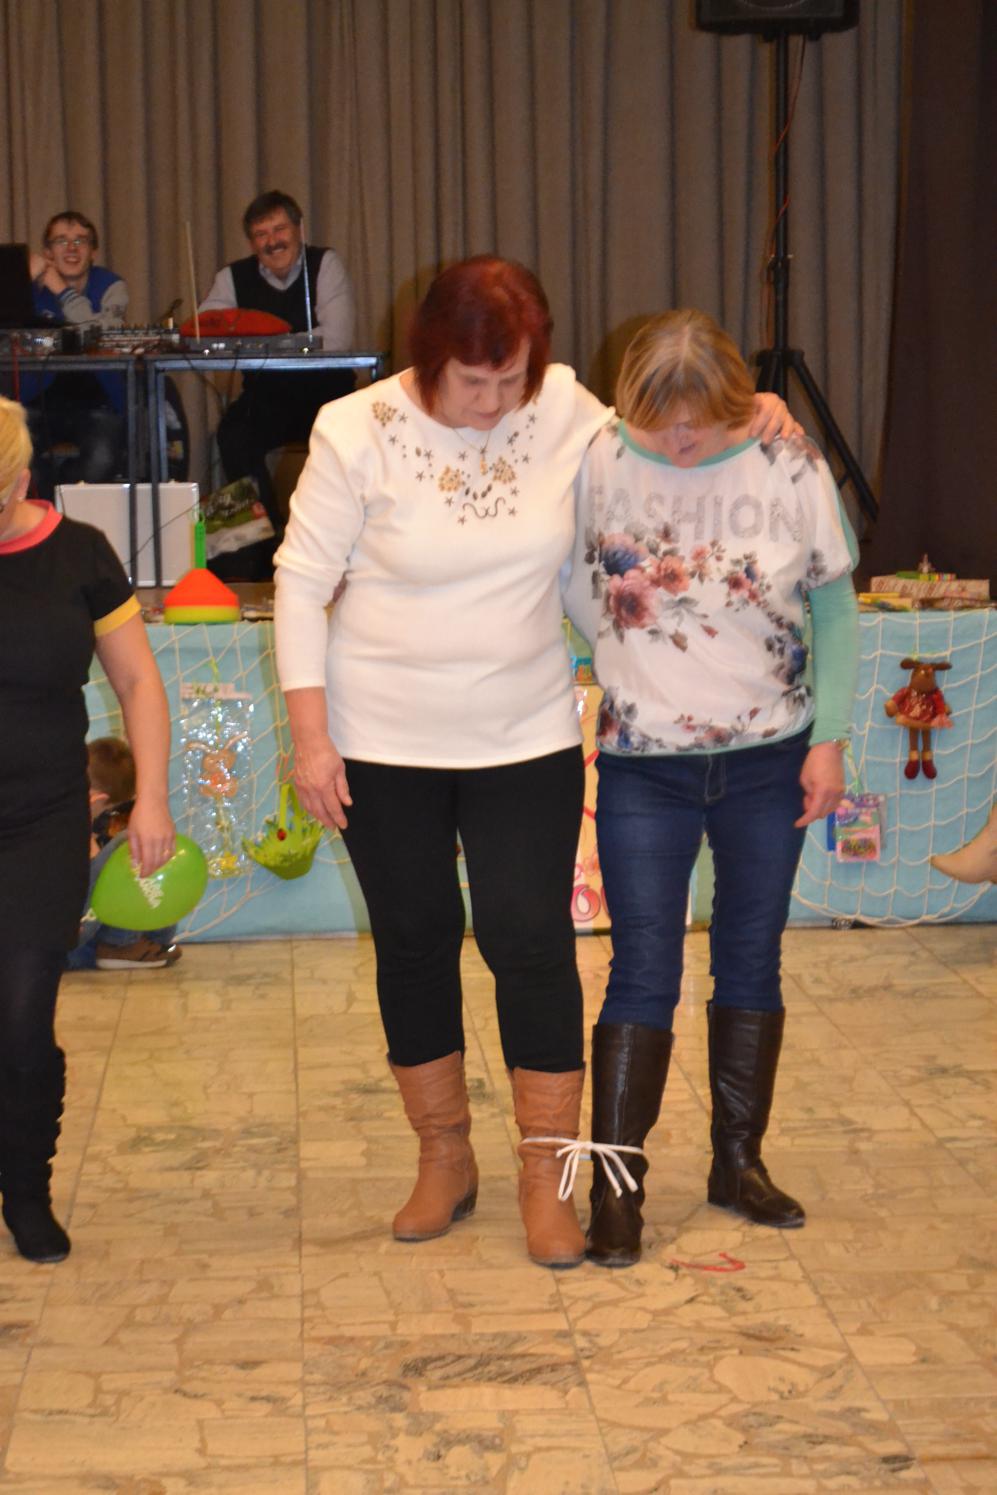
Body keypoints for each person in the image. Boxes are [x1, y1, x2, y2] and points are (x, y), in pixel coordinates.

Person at [273, 257, 796, 1269]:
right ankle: (443, 1155)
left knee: (529, 940)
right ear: (431, 357)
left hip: (523, 735)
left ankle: (547, 1171)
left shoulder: (563, 409)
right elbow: (300, 585)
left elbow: (665, 445)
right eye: (473, 381)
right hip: (379, 739)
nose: (492, 402)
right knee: (415, 939)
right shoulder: (354, 429)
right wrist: (310, 737)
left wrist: (749, 415)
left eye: (509, 378)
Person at [564, 309, 859, 1268]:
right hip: (643, 763)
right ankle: (616, 1191)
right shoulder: (596, 456)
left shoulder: (788, 460)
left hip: (772, 757)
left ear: (736, 401)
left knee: (750, 959)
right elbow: (565, 581)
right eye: (660, 423)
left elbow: (833, 604)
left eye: (698, 422)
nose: (680, 442)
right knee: (642, 967)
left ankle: (738, 1163)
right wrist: (612, 659)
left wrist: (830, 739)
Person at [0, 396, 175, 1263]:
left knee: (23, 1013)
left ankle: (25, 1188)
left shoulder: (82, 555)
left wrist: (151, 800)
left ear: (20, 481)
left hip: (41, 820)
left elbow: (138, 682)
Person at [199, 189, 357, 570]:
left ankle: (333, 544)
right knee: (232, 435)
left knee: (346, 441)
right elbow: (205, 330)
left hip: (327, 394)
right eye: (261, 234)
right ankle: (268, 543)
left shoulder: (325, 263)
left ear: (299, 229)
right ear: (251, 242)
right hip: (267, 395)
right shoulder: (232, 277)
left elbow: (338, 337)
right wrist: (289, 340)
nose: (272, 241)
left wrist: (263, 339)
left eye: (279, 229)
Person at [23, 211, 128, 497]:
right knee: (16, 459)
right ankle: (45, 513)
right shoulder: (30, 288)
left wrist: (61, 290)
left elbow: (96, 337)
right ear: (47, 253)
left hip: (98, 404)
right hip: (36, 402)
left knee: (102, 459)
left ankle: (66, 510)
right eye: (61, 241)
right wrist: (21, 282)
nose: (71, 248)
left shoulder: (112, 286)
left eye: (81, 240)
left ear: (93, 252)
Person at [65, 736, 181, 972]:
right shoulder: (59, 824)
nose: (109, 819)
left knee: (152, 845)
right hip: (66, 943)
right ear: (96, 800)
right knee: (129, 843)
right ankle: (120, 945)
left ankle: (145, 941)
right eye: (110, 812)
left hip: (86, 945)